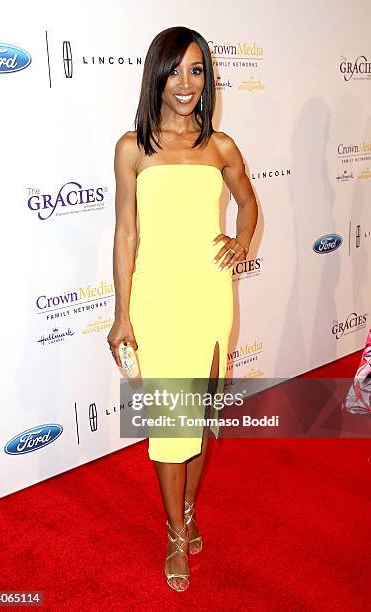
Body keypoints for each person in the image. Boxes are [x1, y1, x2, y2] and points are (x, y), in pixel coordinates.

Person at [107, 25, 258, 592]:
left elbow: (248, 202)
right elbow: (125, 235)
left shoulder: (221, 147)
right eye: (175, 70)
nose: (186, 83)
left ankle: (188, 511)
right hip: (156, 300)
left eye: (196, 71)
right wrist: (122, 314)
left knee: (195, 420)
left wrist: (241, 241)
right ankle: (175, 531)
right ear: (156, 75)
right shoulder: (132, 148)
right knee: (171, 425)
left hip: (209, 296)